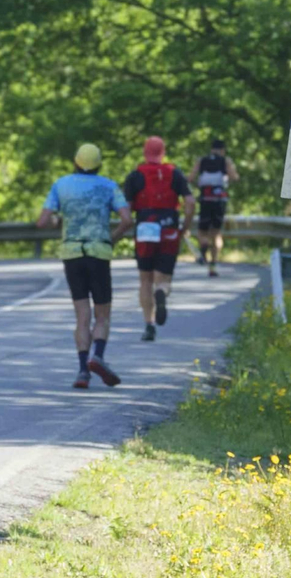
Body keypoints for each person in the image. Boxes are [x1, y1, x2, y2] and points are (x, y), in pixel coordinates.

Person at [38, 143, 133, 389]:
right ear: (99, 164)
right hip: (99, 253)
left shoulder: (61, 184)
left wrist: (57, 221)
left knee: (82, 315)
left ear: (76, 162)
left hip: (72, 254)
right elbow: (127, 219)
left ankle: (82, 371)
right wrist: (111, 238)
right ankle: (97, 356)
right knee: (102, 315)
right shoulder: (109, 186)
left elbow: (42, 221)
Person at [122, 136, 194, 342]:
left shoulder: (135, 175)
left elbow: (126, 208)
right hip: (169, 227)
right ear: (163, 152)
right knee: (163, 279)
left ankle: (149, 325)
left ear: (145, 152)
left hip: (145, 226)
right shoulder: (175, 174)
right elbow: (190, 202)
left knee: (145, 279)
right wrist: (185, 227)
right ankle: (161, 292)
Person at [190, 138, 238, 277]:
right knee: (216, 233)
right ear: (223, 150)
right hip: (219, 201)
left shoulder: (201, 160)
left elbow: (191, 178)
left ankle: (204, 246)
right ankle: (213, 266)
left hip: (205, 199)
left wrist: (197, 185)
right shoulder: (225, 161)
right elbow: (234, 177)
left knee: (202, 231)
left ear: (211, 149)